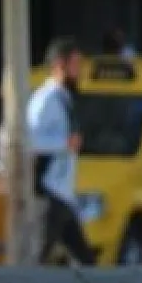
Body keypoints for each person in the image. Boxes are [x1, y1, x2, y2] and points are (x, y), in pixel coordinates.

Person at [26, 37, 99, 266]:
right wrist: (64, 143)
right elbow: (30, 140)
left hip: (63, 194)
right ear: (59, 65)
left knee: (85, 259)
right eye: (75, 65)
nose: (79, 72)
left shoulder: (63, 98)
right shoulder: (46, 99)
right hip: (50, 193)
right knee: (38, 257)